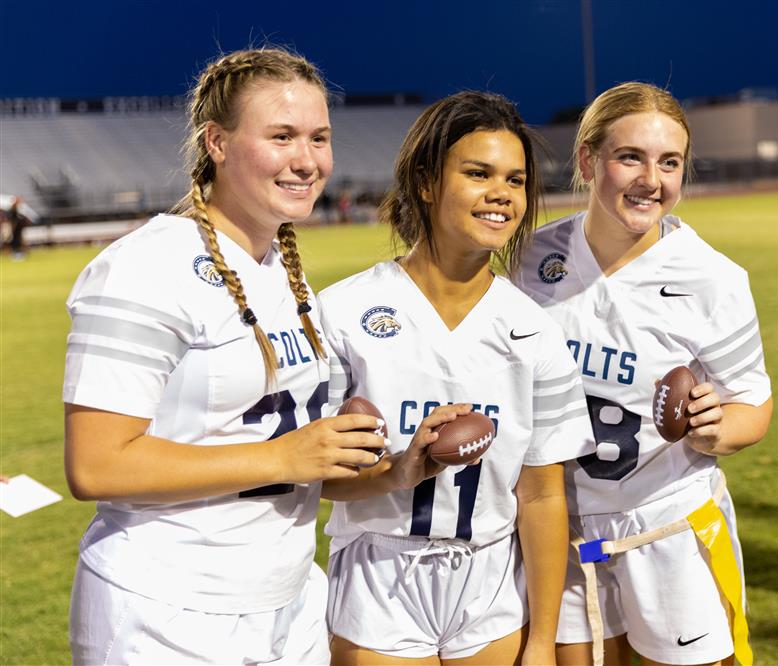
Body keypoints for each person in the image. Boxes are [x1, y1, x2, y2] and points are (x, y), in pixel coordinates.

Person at [62, 48, 386, 665]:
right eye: (282, 136)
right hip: (168, 609)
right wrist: (284, 454)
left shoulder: (282, 274)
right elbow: (97, 465)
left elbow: (284, 461)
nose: (307, 160)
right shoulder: (144, 267)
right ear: (217, 142)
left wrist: (389, 464)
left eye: (320, 137)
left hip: (287, 602)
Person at [317, 90, 595, 665]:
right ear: (425, 181)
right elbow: (313, 479)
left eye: (516, 180)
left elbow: (542, 496)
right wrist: (398, 472)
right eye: (477, 173)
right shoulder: (342, 313)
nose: (501, 194)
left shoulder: (533, 331)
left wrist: (542, 641)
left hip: (490, 578)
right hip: (379, 571)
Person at [516, 82, 773, 666]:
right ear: (587, 160)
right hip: (561, 531)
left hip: (670, 530)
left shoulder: (713, 278)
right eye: (629, 157)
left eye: (669, 162)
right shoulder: (530, 261)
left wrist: (719, 428)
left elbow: (754, 405)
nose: (651, 180)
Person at [0, 194, 39, 258]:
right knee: (11, 240)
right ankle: (14, 253)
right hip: (13, 229)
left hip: (17, 229)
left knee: (16, 240)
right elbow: (11, 220)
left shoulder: (18, 210)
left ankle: (17, 252)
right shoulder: (12, 211)